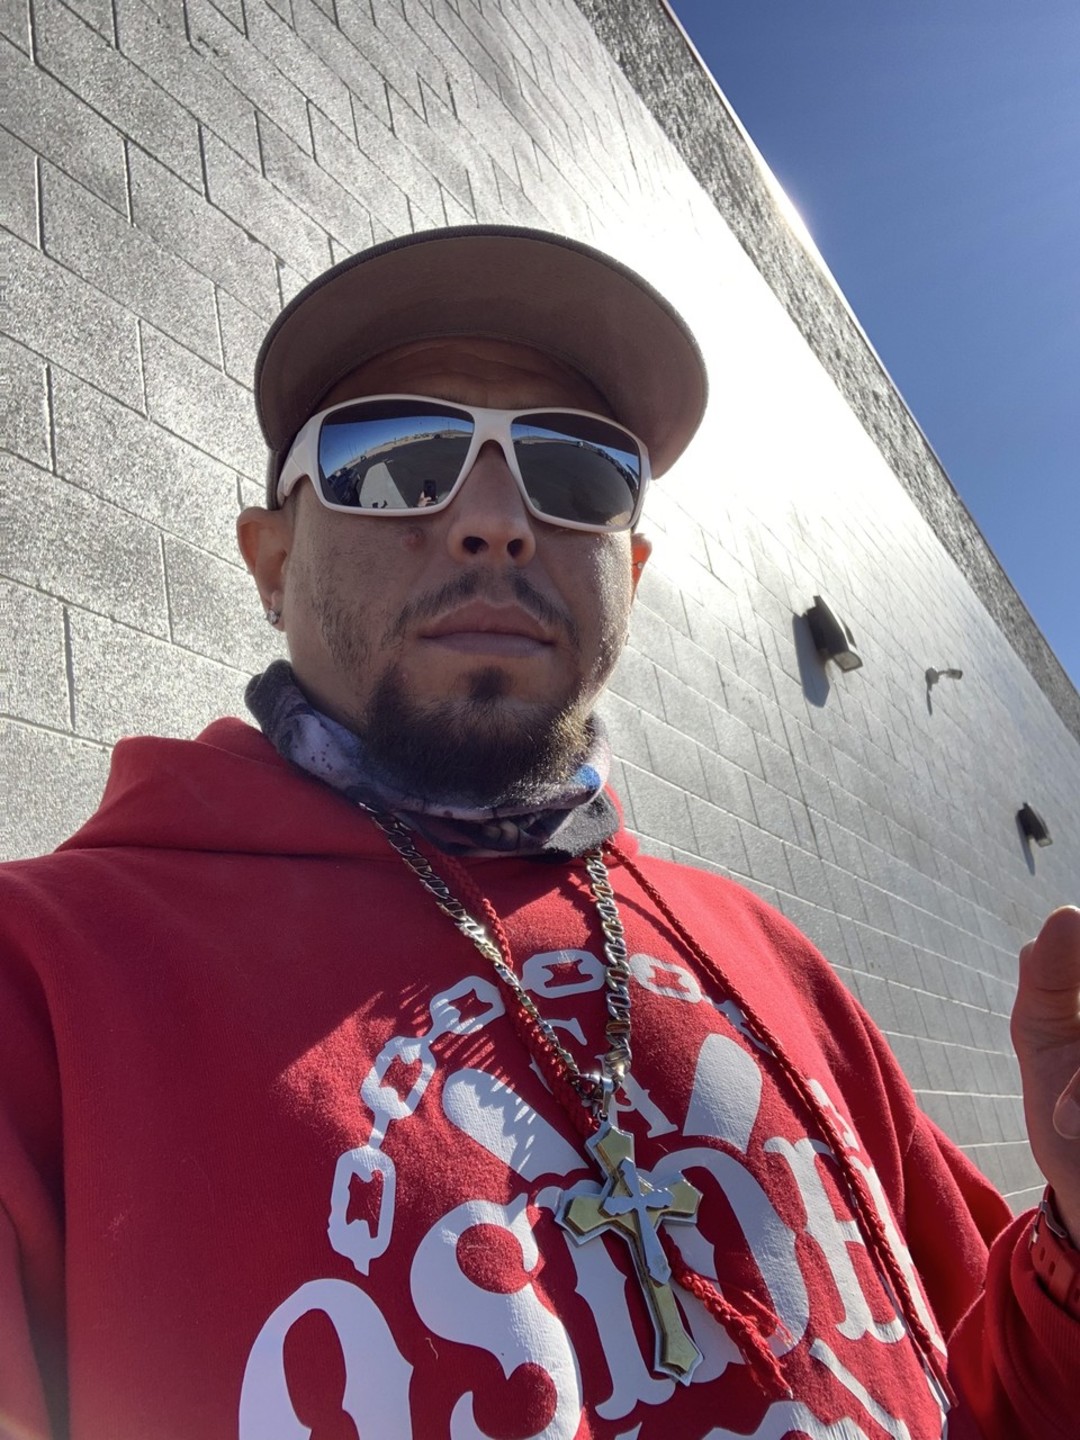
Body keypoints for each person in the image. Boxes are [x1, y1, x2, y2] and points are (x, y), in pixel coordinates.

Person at [1, 226, 1077, 1440]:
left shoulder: (774, 959)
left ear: (632, 567)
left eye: (577, 475)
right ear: (272, 561)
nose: (496, 520)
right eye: (396, 458)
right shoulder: (39, 982)